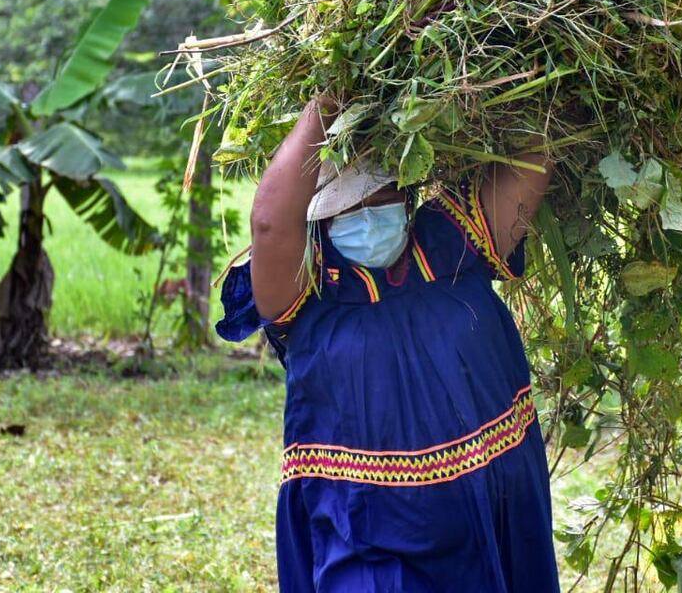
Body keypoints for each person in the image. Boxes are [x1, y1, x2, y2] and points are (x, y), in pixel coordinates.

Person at [216, 95, 562, 592]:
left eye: (384, 199)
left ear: (407, 197)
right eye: (352, 207)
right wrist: (327, 103)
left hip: (492, 509)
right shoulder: (307, 290)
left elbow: (538, 153)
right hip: (364, 532)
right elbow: (270, 222)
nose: (373, 213)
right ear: (320, 223)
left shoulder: (450, 245)